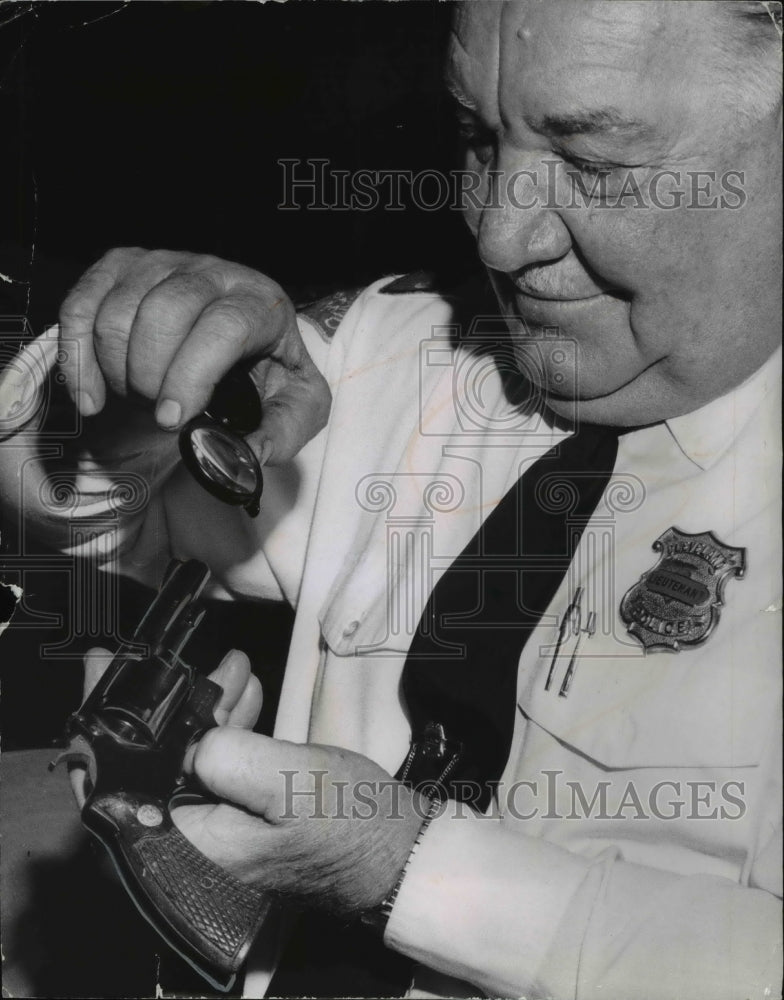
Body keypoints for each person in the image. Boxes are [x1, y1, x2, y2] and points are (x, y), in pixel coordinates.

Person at [0, 2, 780, 997]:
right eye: (477, 137)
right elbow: (100, 528)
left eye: (596, 165)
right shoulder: (405, 343)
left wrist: (406, 868)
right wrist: (124, 378)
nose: (496, 234)